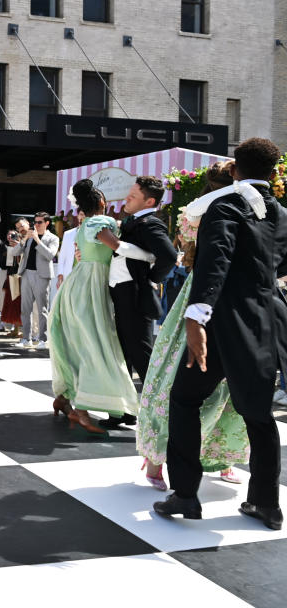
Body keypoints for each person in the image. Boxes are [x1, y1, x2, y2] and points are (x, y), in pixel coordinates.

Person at [155, 138, 286, 530]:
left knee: (184, 399)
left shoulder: (225, 205)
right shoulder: (282, 213)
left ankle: (185, 494)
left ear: (234, 170)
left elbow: (216, 261)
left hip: (224, 323)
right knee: (260, 414)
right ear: (275, 172)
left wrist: (195, 319)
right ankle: (266, 504)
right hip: (266, 323)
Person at [136, 187, 247, 491]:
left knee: (220, 386)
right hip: (206, 296)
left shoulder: (200, 211)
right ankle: (160, 459)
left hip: (218, 294)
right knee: (186, 377)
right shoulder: (208, 211)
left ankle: (217, 457)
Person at [49, 179, 153, 434]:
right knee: (95, 345)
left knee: (79, 342)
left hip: (78, 284)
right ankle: (81, 409)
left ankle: (65, 399)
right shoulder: (101, 222)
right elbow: (115, 246)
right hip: (91, 287)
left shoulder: (83, 225)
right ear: (101, 203)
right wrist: (150, 256)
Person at [104, 176, 178, 429]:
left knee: (142, 355)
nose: (126, 199)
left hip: (135, 294)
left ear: (149, 201)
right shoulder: (135, 221)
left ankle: (158, 416)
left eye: (132, 196)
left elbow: (168, 256)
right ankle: (125, 410)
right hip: (123, 292)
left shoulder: (149, 223)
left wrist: (151, 278)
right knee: (124, 354)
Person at [16, 212, 59, 349]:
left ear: (47, 223)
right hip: (27, 274)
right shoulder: (29, 236)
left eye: (40, 222)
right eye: (35, 222)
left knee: (42, 308)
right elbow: (15, 252)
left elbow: (50, 255)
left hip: (42, 275)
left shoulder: (53, 238)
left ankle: (43, 339)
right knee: (25, 308)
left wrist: (37, 240)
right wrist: (23, 240)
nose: (36, 224)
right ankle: (26, 338)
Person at [55, 209, 84, 291]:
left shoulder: (91, 234)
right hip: (69, 273)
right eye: (81, 214)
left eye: (85, 215)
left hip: (84, 273)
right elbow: (62, 256)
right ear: (78, 216)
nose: (83, 217)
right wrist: (60, 275)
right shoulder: (68, 234)